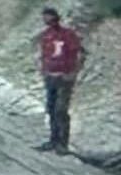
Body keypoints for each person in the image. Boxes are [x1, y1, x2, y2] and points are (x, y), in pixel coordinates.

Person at [35, 8, 85, 154]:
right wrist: (44, 71)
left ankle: (63, 143)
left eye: (49, 16)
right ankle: (53, 140)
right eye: (45, 17)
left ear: (56, 17)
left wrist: (73, 72)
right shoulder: (46, 36)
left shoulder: (68, 34)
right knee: (51, 108)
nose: (47, 19)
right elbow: (44, 55)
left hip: (64, 77)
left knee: (61, 110)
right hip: (51, 76)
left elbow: (80, 54)